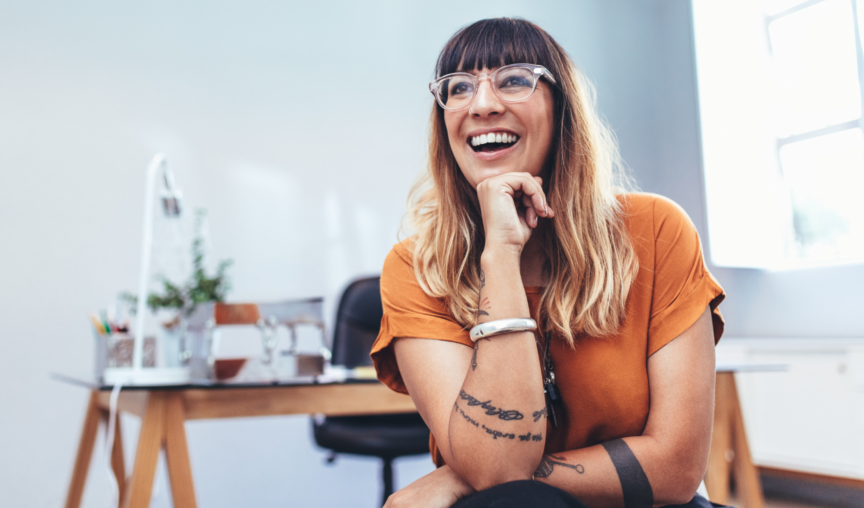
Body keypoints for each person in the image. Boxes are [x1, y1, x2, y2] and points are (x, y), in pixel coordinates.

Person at [371, 18, 726, 508]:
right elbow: (499, 474)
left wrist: (456, 479)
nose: (483, 104)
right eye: (459, 88)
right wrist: (500, 255)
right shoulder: (415, 267)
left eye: (515, 79)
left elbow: (676, 468)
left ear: (563, 110)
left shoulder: (657, 230)